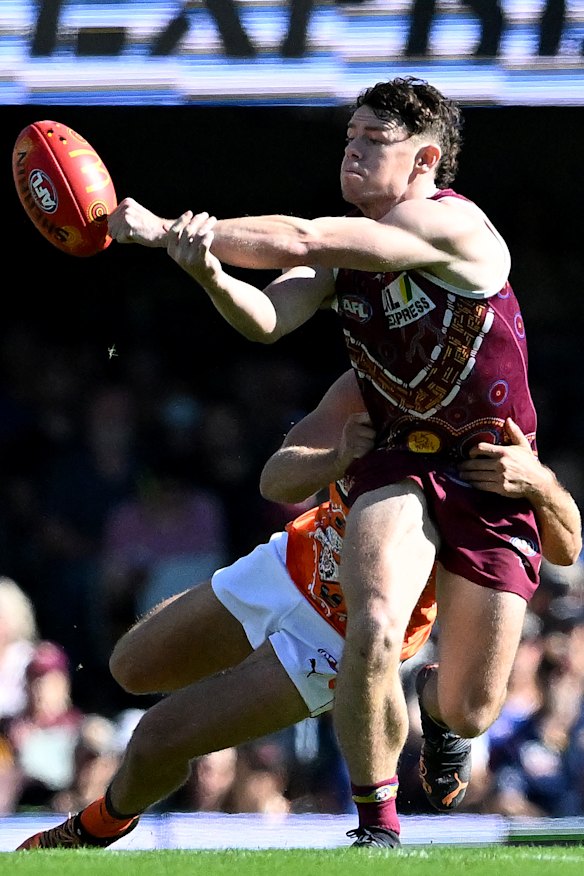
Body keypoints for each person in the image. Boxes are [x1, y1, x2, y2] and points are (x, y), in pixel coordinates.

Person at [105, 75, 582, 847]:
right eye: (348, 136)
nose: (352, 149)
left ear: (425, 160)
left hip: (490, 471)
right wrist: (208, 271)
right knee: (377, 619)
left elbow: (301, 237)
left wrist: (162, 228)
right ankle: (378, 828)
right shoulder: (346, 256)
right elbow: (266, 319)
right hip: (399, 461)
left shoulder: (457, 233)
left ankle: (437, 708)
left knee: (470, 707)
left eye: (372, 139)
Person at [15, 366, 581, 850]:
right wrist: (339, 455)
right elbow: (275, 478)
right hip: (288, 566)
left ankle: (96, 827)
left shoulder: (489, 428)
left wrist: (540, 484)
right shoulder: (374, 381)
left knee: (157, 738)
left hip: (337, 641)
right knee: (129, 667)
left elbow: (567, 545)